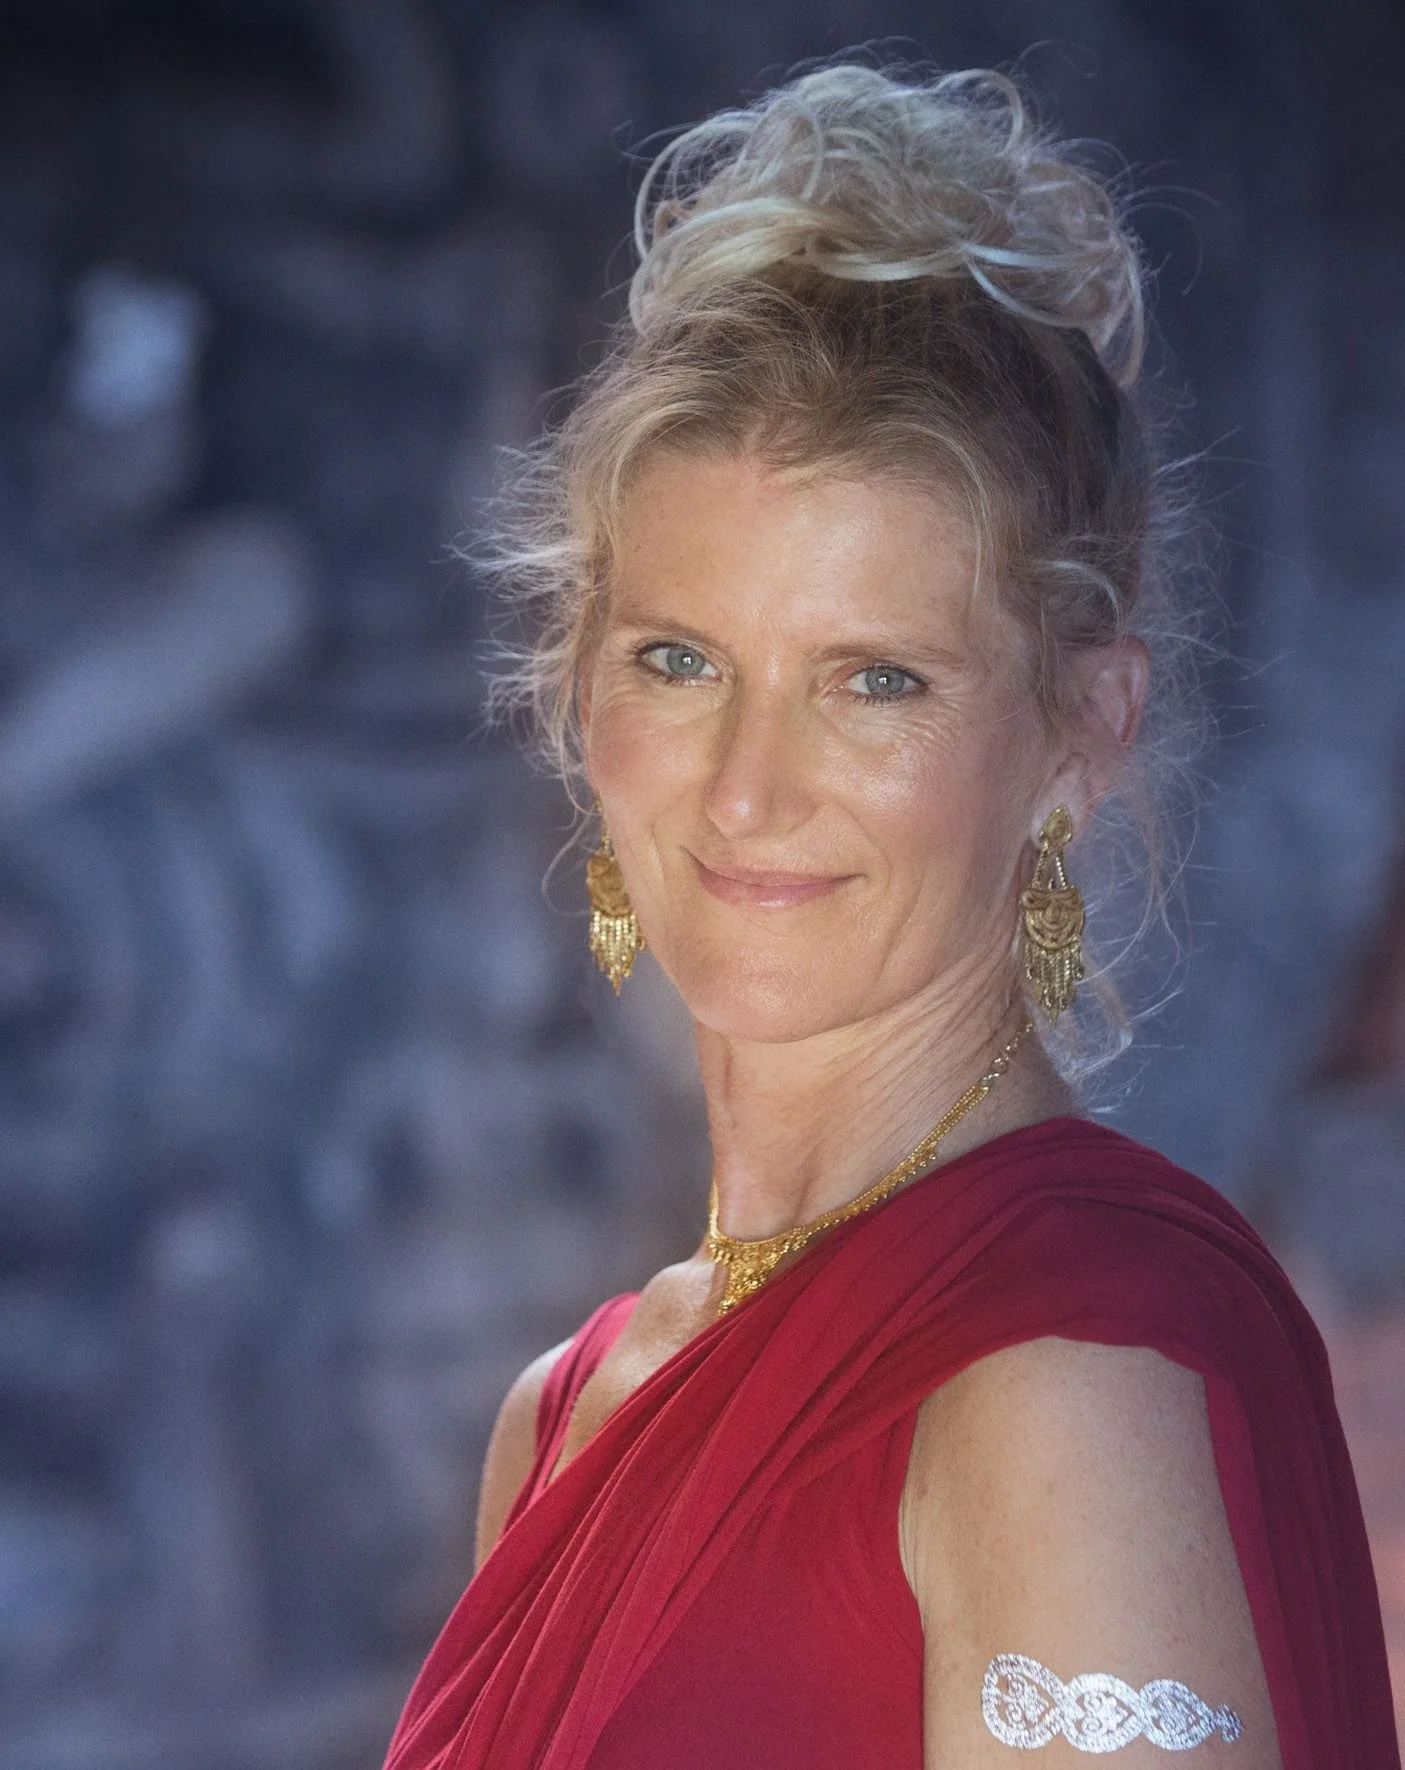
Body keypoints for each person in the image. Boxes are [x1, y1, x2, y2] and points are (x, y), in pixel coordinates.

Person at [382, 63, 1398, 1770]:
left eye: (875, 680)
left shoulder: (1070, 1370)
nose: (748, 786)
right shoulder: (559, 1412)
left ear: (1082, 731)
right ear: (577, 700)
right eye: (681, 660)